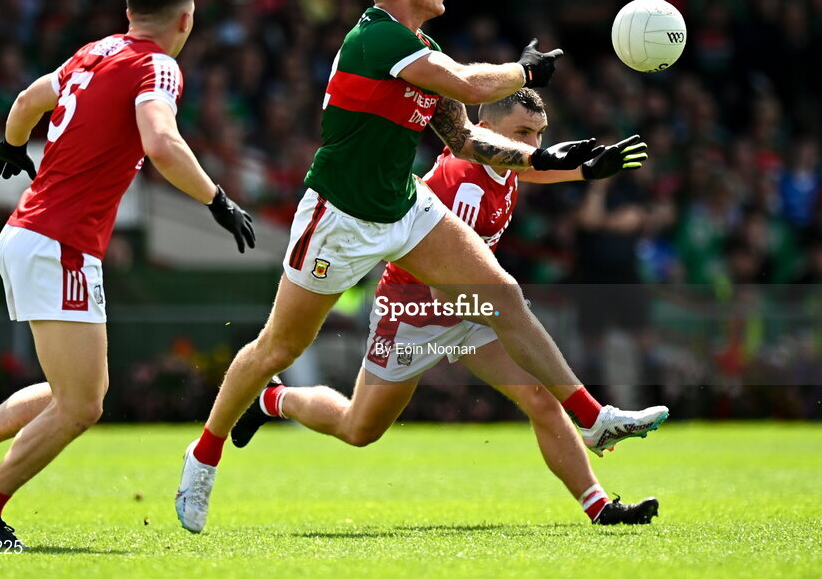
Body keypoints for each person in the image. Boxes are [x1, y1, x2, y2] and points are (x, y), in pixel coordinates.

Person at [176, 0, 667, 532]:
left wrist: (559, 163)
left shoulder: (419, 47)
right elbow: (469, 86)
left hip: (403, 211)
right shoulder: (379, 37)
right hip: (338, 219)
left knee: (505, 296)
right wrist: (525, 69)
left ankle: (591, 418)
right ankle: (205, 454)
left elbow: (464, 139)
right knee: (282, 350)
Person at [0, 0, 255, 550]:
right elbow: (162, 142)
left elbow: (27, 99)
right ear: (186, 19)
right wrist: (216, 199)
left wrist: (13, 144)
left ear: (128, 13)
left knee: (66, 391)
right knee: (83, 404)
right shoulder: (158, 64)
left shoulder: (93, 52)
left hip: (31, 233)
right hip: (59, 243)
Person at [231, 89, 659, 525]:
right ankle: (273, 399)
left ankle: (601, 507)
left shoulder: (501, 162)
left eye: (539, 134)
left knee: (543, 399)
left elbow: (527, 172)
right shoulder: (462, 185)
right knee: (359, 429)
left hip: (472, 309)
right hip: (413, 316)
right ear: (486, 132)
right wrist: (505, 314)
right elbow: (441, 292)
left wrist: (583, 172)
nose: (533, 147)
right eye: (523, 133)